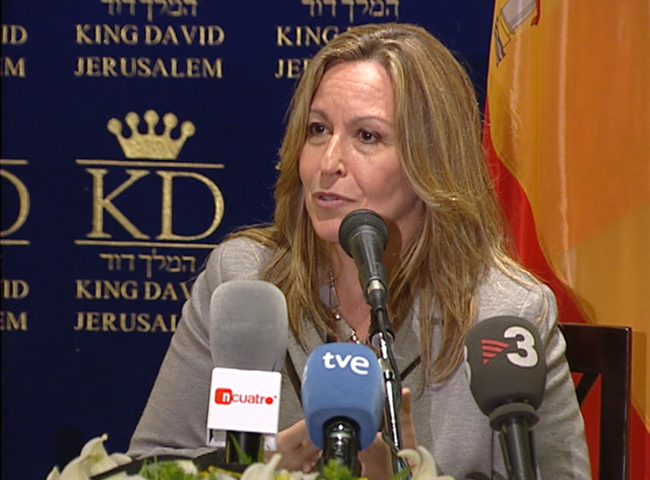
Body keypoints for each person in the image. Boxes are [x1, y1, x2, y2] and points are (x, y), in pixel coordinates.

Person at [127, 23, 591, 480]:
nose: (328, 163)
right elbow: (149, 464)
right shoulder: (244, 281)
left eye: (367, 136)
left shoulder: (505, 314)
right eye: (317, 129)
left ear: (431, 160)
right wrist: (256, 468)